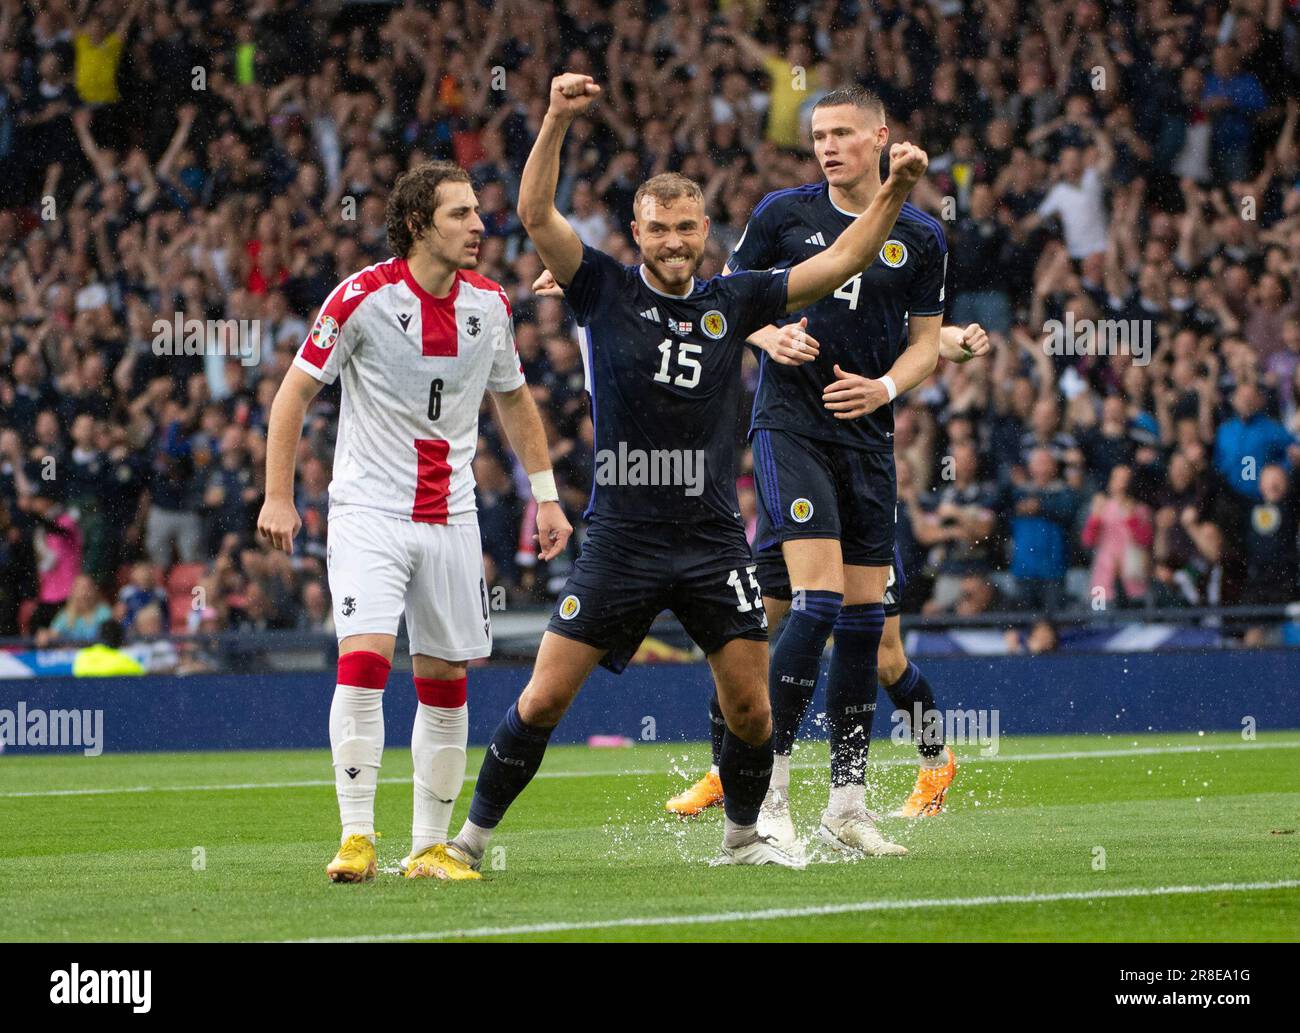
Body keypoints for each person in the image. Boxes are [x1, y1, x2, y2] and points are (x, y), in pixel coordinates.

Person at [444, 73, 928, 873]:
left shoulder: (735, 299)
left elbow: (846, 253)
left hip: (710, 541)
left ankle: (742, 838)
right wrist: (558, 118)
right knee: (544, 697)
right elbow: (535, 213)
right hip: (622, 539)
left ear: (706, 228)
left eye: (685, 228)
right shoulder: (599, 286)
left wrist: (898, 189)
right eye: (657, 228)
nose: (672, 241)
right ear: (636, 231)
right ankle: (469, 841)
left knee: (749, 706)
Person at [257, 160, 572, 884]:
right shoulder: (360, 297)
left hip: (451, 516)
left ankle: (429, 847)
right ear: (415, 225)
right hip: (369, 510)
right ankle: (356, 836)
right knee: (364, 662)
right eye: (461, 213)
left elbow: (515, 399)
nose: (479, 226)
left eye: (477, 212)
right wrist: (279, 494)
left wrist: (545, 493)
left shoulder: (490, 305)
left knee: (444, 678)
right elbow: (294, 395)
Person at [724, 85, 947, 857]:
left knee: (860, 622)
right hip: (791, 425)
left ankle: (846, 803)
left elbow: (928, 340)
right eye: (819, 134)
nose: (828, 146)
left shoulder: (919, 233)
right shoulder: (783, 214)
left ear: (880, 137)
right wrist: (769, 338)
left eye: (844, 134)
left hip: (868, 439)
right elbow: (723, 303)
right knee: (813, 601)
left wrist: (887, 386)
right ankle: (770, 791)